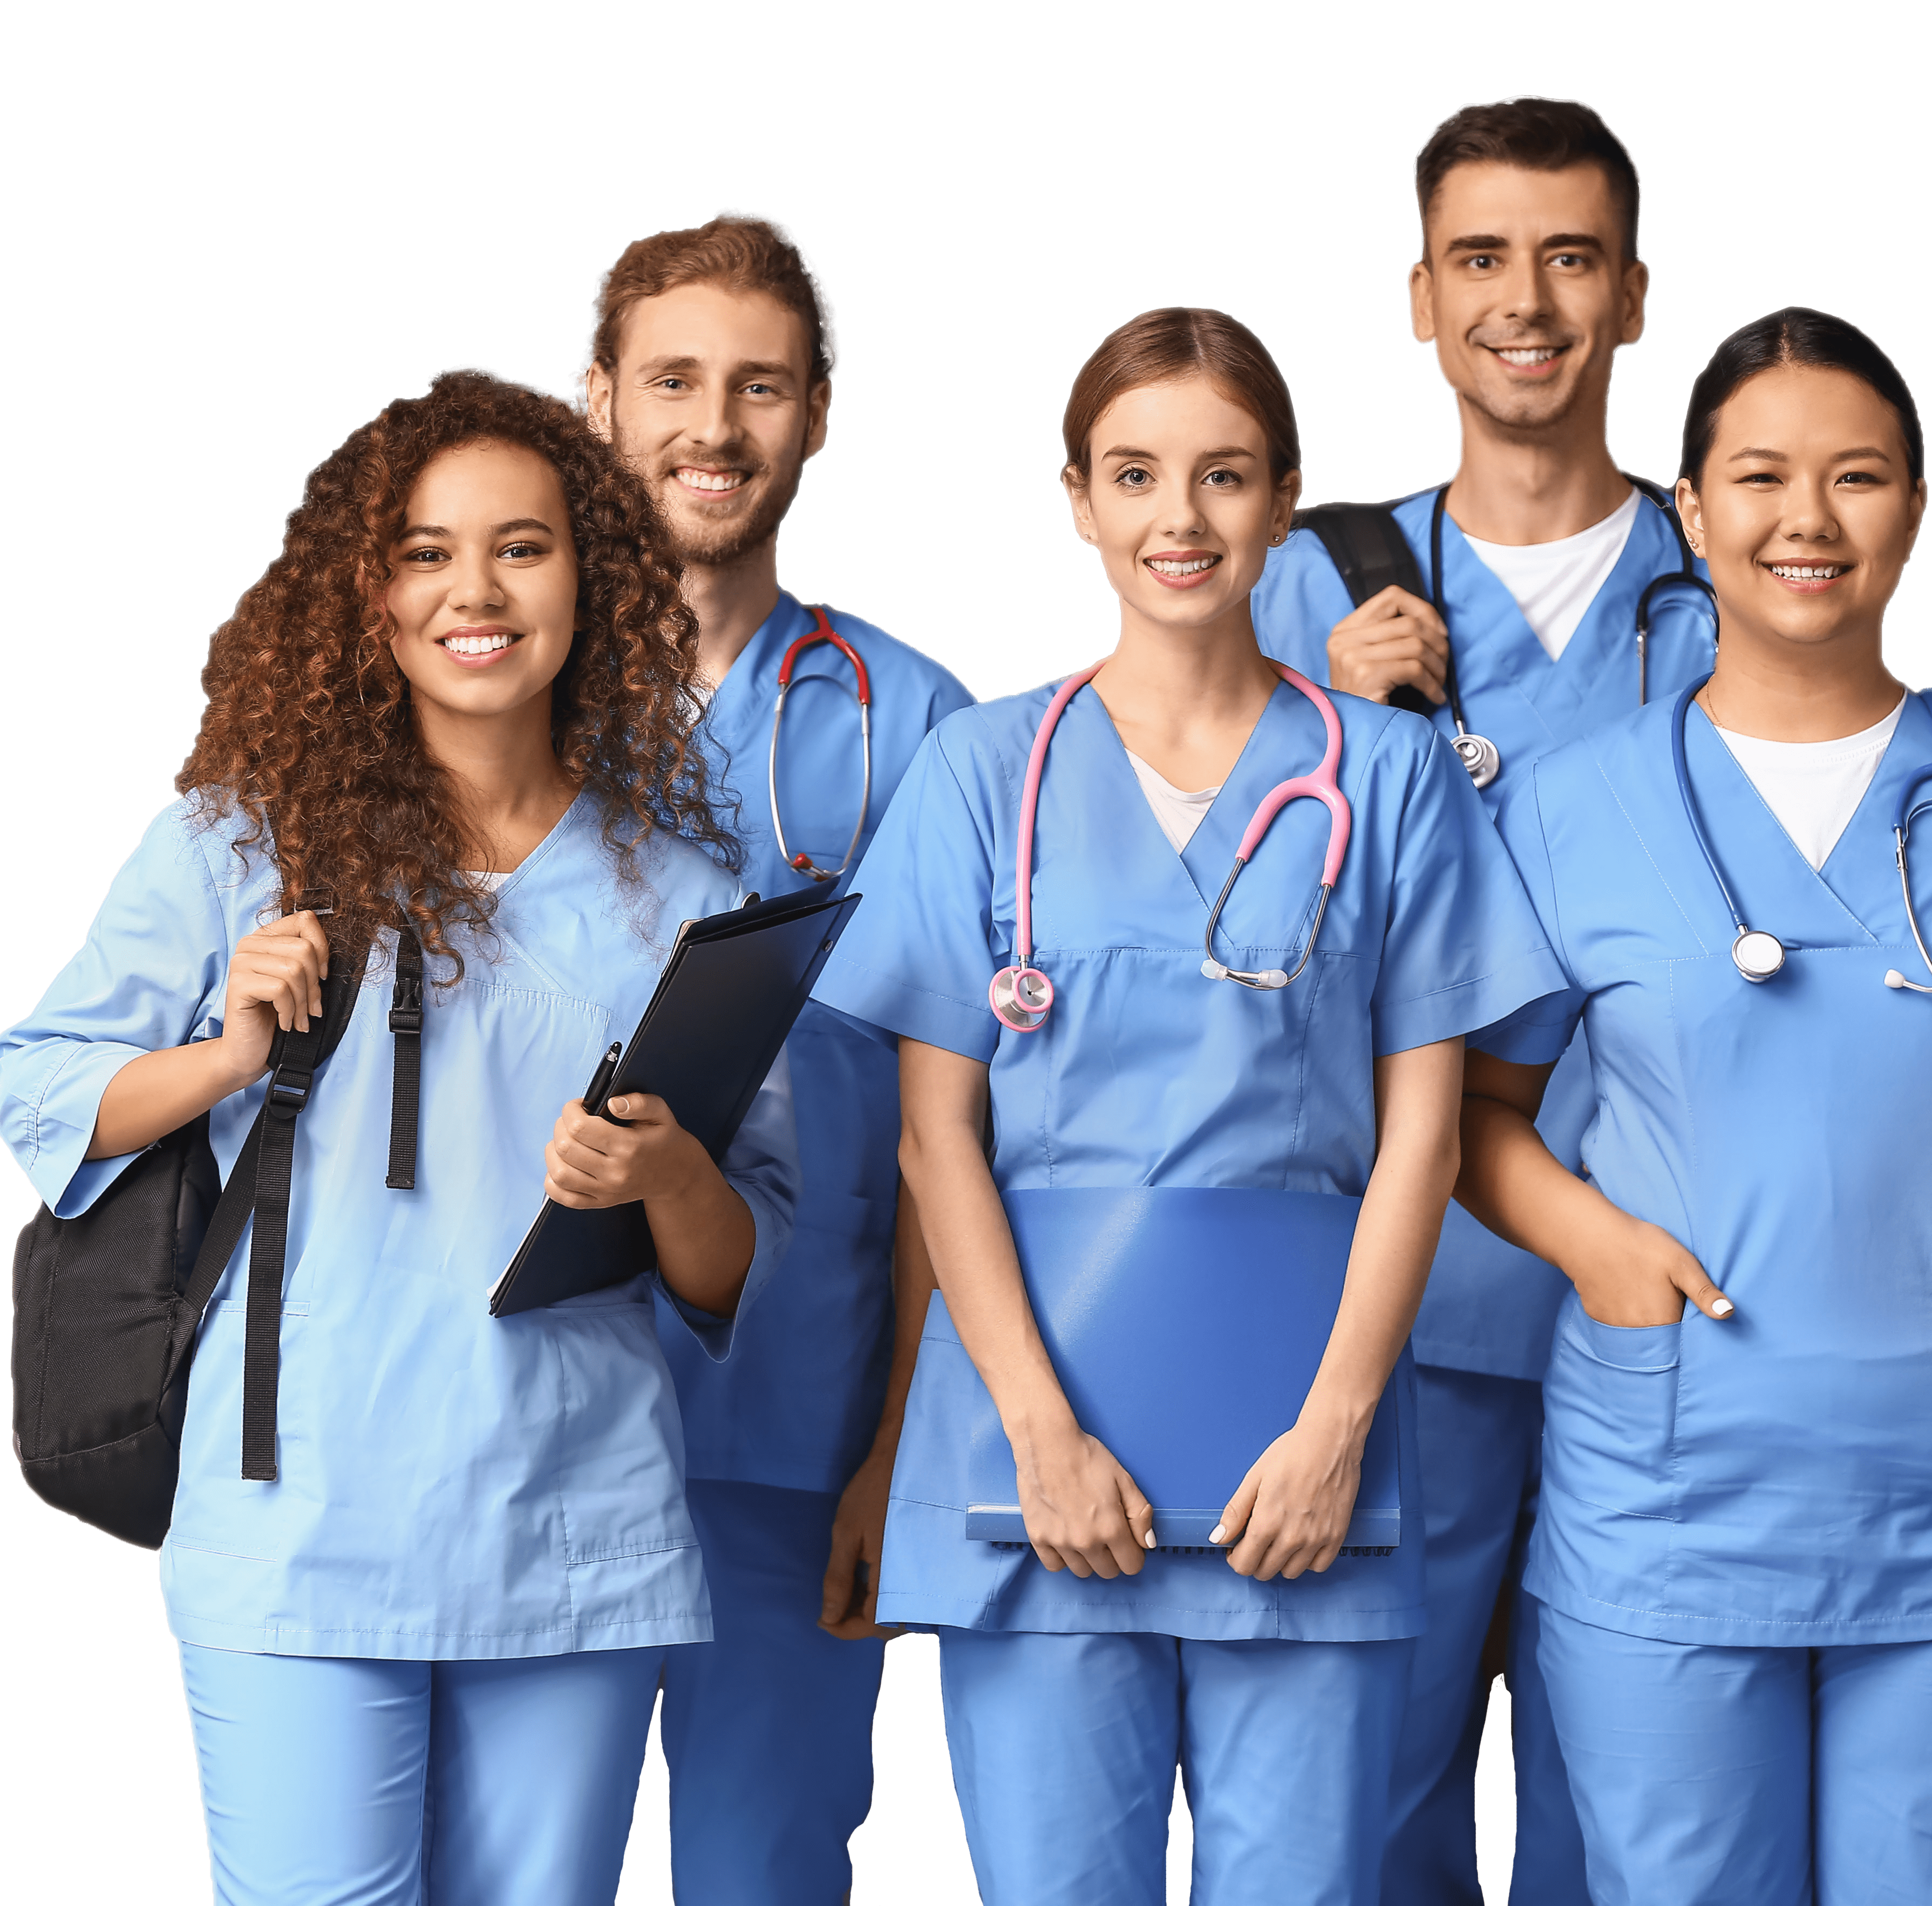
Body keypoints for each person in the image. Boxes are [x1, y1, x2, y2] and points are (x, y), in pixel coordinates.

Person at [0, 368, 799, 1906]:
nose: (473, 592)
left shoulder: (683, 898)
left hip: (572, 1533)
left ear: (596, 581)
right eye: (425, 553)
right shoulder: (236, 847)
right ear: (366, 596)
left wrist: (667, 1172)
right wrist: (225, 1052)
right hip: (299, 1528)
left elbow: (729, 1269)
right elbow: (39, 1088)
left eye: (523, 546)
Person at [809, 307, 1566, 1905]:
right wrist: (1036, 1437)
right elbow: (936, 1135)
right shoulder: (976, 770)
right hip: (1037, 1456)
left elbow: (1423, 1134)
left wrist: (1338, 1434)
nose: (1179, 519)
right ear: (1076, 499)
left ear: (1284, 503)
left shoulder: (1389, 776)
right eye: (1135, 475)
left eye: (1223, 477)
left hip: (1306, 1460)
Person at [1458, 308, 1932, 1903]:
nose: (1807, 520)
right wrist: (1594, 1246)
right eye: (1761, 478)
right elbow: (1478, 1120)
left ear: (1914, 511)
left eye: (1856, 478)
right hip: (1666, 1497)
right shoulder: (1572, 811)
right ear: (1694, 512)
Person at [1248, 95, 1714, 1905]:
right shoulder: (1304, 585)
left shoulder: (1730, 580)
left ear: (1632, 298)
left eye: (1570, 258)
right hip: (1393, 1310)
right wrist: (1322, 719)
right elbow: (1200, 935)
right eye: (1482, 262)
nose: (1527, 301)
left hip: (1668, 1302)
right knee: (1363, 1804)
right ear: (1422, 305)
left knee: (1642, 1819)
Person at [579, 210, 975, 1904]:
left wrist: (905, 1442)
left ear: (820, 411)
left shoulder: (918, 718)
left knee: (768, 1871)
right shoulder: (493, 675)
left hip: (795, 1424)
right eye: (672, 380)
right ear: (595, 404)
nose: (714, 428)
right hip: (538, 1416)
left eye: (760, 386)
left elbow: (960, 1128)